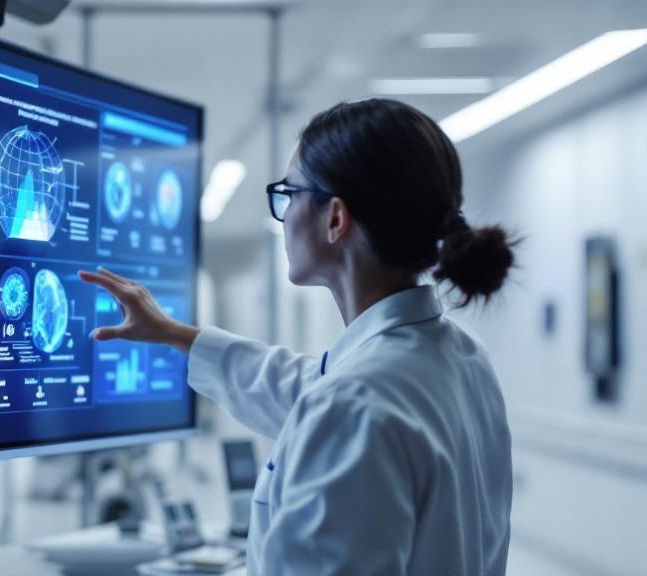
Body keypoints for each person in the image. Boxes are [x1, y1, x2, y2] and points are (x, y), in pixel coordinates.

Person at [79, 99, 515, 576]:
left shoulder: (357, 401)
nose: (283, 215)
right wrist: (174, 334)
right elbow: (310, 389)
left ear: (335, 218)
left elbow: (340, 406)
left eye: (289, 194)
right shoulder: (460, 357)